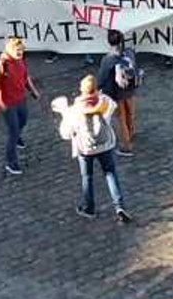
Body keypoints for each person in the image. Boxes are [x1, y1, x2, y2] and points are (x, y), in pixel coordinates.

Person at [53, 75, 131, 224]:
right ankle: (119, 207)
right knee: (110, 174)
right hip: (105, 145)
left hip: (85, 149)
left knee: (87, 177)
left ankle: (89, 208)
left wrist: (64, 113)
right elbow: (112, 106)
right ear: (96, 89)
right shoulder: (104, 103)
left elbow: (66, 134)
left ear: (81, 91)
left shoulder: (74, 110)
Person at [0, 38, 40, 175]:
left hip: (20, 99)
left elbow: (25, 77)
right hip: (6, 103)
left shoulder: (21, 61)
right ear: (9, 50)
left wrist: (33, 90)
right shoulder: (1, 65)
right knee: (13, 130)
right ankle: (11, 163)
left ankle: (17, 138)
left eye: (22, 50)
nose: (20, 53)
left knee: (23, 120)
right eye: (17, 51)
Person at [96, 29, 141, 157]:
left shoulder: (108, 59)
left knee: (121, 119)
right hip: (130, 90)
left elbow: (101, 79)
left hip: (116, 93)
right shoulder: (129, 53)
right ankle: (131, 132)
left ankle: (126, 146)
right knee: (130, 114)